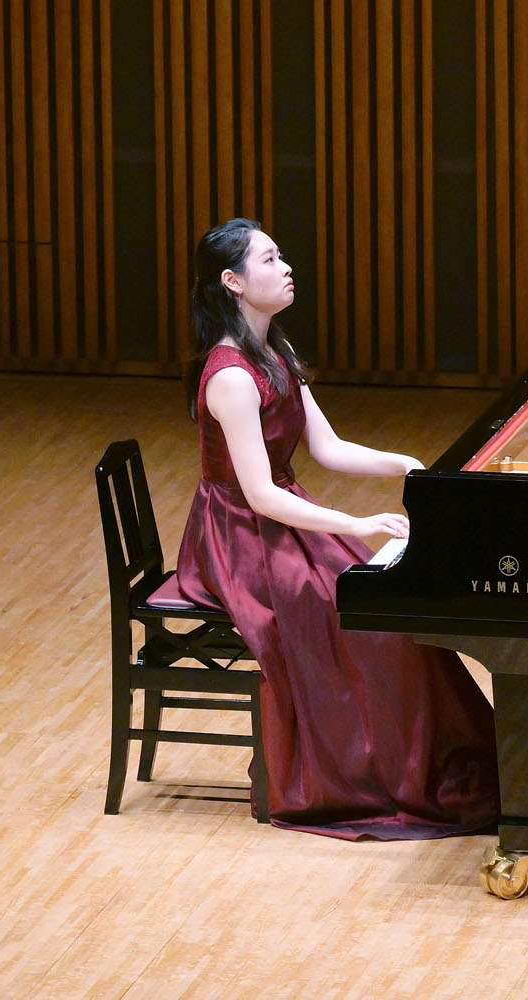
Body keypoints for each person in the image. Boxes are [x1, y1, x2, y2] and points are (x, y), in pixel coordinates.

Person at [173, 217, 498, 839]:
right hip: (236, 536)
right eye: (269, 260)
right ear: (232, 282)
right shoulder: (232, 377)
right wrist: (357, 522)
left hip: (277, 517)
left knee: (388, 605)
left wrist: (405, 464)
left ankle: (428, 760)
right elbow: (259, 495)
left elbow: (328, 448)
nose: (286, 268)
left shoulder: (276, 354)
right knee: (358, 620)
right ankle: (373, 776)